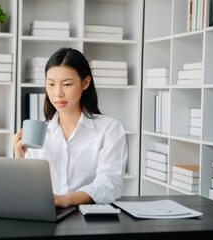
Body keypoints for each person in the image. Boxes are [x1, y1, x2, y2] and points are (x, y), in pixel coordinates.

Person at [13, 47, 128, 208]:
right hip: (47, 217)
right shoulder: (39, 133)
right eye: (51, 84)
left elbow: (109, 184)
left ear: (85, 83)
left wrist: (67, 199)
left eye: (66, 84)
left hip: (90, 220)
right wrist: (19, 157)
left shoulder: (109, 129)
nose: (57, 93)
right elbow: (26, 192)